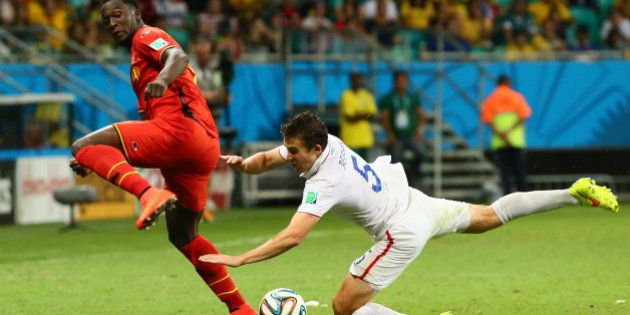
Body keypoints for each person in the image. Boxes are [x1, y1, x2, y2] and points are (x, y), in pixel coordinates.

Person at [200, 111, 619, 315]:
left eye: (294, 152)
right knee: (491, 216)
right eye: (287, 148)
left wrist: (240, 259)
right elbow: (269, 158)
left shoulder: (323, 182)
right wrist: (244, 164)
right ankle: (571, 193)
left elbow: (292, 237)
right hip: (414, 199)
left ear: (314, 150)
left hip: (400, 229)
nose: (288, 157)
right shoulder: (328, 141)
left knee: (344, 307)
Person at [69, 1, 256, 314]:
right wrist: (97, 158)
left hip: (180, 132)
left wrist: (164, 78)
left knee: (80, 145)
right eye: (106, 20)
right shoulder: (136, 57)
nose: (112, 23)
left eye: (118, 15)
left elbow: (177, 56)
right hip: (200, 150)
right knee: (183, 235)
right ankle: (240, 309)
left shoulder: (147, 35)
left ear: (137, 14)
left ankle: (147, 193)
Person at [481, 75, 532, 195]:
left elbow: (487, 120)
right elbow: (524, 116)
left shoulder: (491, 99)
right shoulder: (517, 97)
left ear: (497, 84)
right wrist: (509, 132)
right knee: (519, 170)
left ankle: (507, 198)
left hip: (500, 141)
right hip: (516, 140)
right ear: (508, 83)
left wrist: (502, 134)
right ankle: (524, 198)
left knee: (504, 172)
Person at [379, 70, 426, 183]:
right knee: (395, 158)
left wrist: (420, 130)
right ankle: (397, 181)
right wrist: (390, 134)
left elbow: (422, 115)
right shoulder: (389, 98)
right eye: (399, 81)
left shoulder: (412, 97)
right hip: (397, 136)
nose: (402, 83)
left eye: (404, 81)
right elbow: (384, 118)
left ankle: (414, 172)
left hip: (411, 135)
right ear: (395, 82)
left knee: (422, 152)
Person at [339, 72, 378, 160]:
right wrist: (365, 114)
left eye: (359, 80)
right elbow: (350, 118)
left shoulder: (367, 95)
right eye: (355, 80)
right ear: (351, 81)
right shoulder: (346, 95)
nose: (357, 82)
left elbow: (373, 116)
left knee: (364, 168)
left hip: (366, 140)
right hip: (350, 140)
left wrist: (358, 114)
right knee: (351, 168)